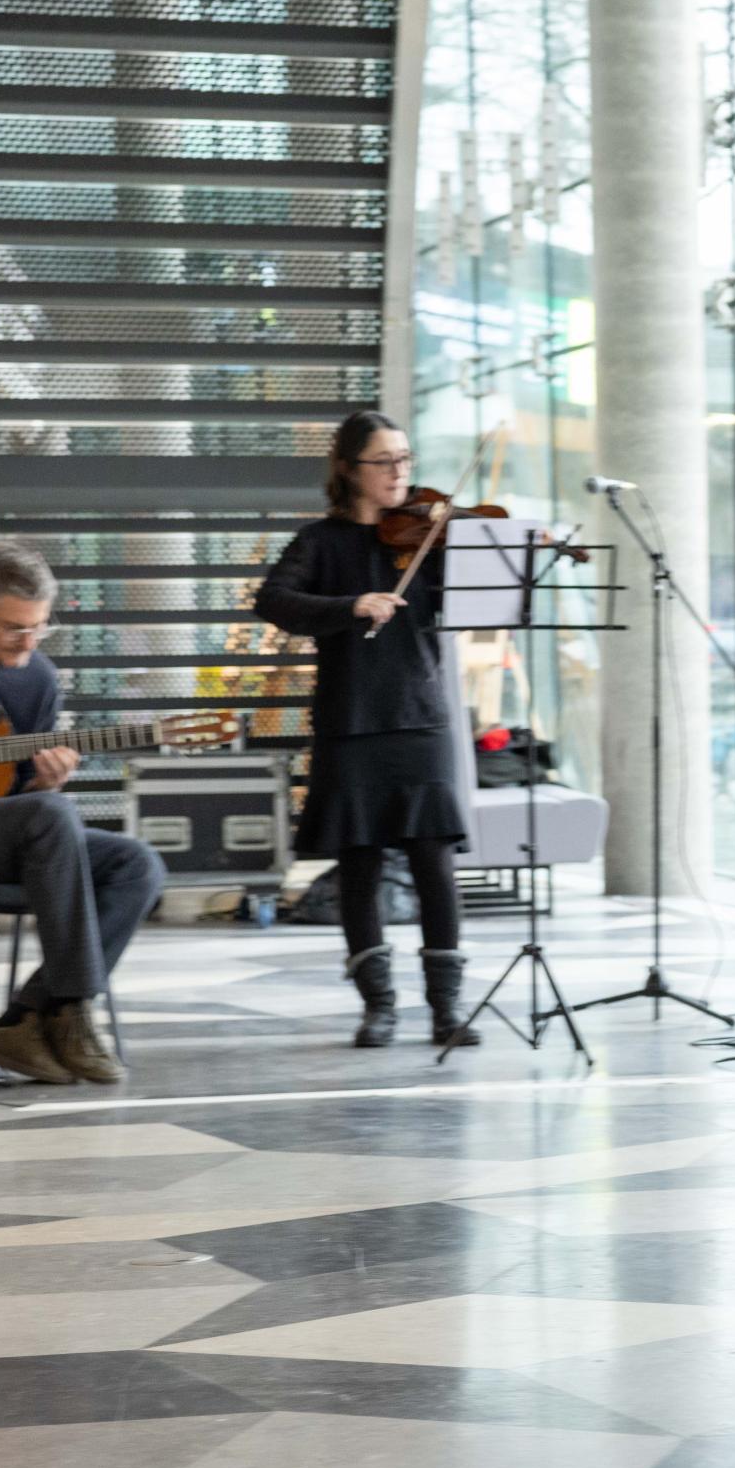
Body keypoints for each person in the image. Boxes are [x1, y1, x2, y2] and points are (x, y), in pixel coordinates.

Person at [254, 412, 478, 1050]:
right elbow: (272, 601)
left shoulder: (432, 538)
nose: (400, 472)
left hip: (420, 714)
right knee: (360, 864)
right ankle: (377, 1005)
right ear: (350, 470)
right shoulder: (320, 543)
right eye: (384, 461)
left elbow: (470, 603)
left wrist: (500, 553)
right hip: (352, 720)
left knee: (434, 863)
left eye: (405, 458)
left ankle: (447, 1008)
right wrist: (348, 606)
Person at [0, 542, 164, 1084]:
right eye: (15, 628)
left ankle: (27, 1017)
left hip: (1, 836)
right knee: (51, 816)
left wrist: (42, 780)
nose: (29, 642)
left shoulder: (39, 678)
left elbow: (16, 797)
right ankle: (74, 1007)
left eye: (39, 628)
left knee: (138, 864)